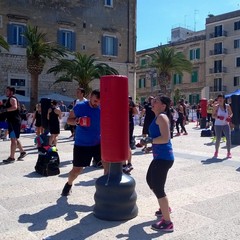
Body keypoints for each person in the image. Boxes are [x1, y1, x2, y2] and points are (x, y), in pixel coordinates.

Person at [61, 89, 105, 196]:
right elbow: (69, 120)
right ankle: (69, 184)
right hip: (82, 144)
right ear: (90, 97)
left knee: (107, 165)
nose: (97, 104)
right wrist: (78, 121)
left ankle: (105, 190)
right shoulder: (80, 106)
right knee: (77, 170)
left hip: (97, 143)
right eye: (95, 101)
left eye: (99, 102)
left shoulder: (102, 108)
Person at [142, 95, 174, 232]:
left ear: (163, 106)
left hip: (164, 158)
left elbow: (165, 138)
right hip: (159, 157)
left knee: (158, 187)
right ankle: (165, 208)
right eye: (153, 101)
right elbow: (158, 138)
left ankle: (167, 222)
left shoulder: (162, 117)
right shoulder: (157, 117)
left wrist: (149, 140)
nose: (152, 103)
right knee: (150, 181)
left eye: (156, 102)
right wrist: (150, 146)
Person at [0, 86, 26, 163]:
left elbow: (14, 107)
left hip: (14, 121)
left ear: (11, 92)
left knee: (13, 139)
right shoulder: (10, 99)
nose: (6, 92)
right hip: (13, 121)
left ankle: (12, 157)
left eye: (7, 91)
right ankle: (22, 152)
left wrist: (5, 110)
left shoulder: (12, 98)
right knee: (15, 138)